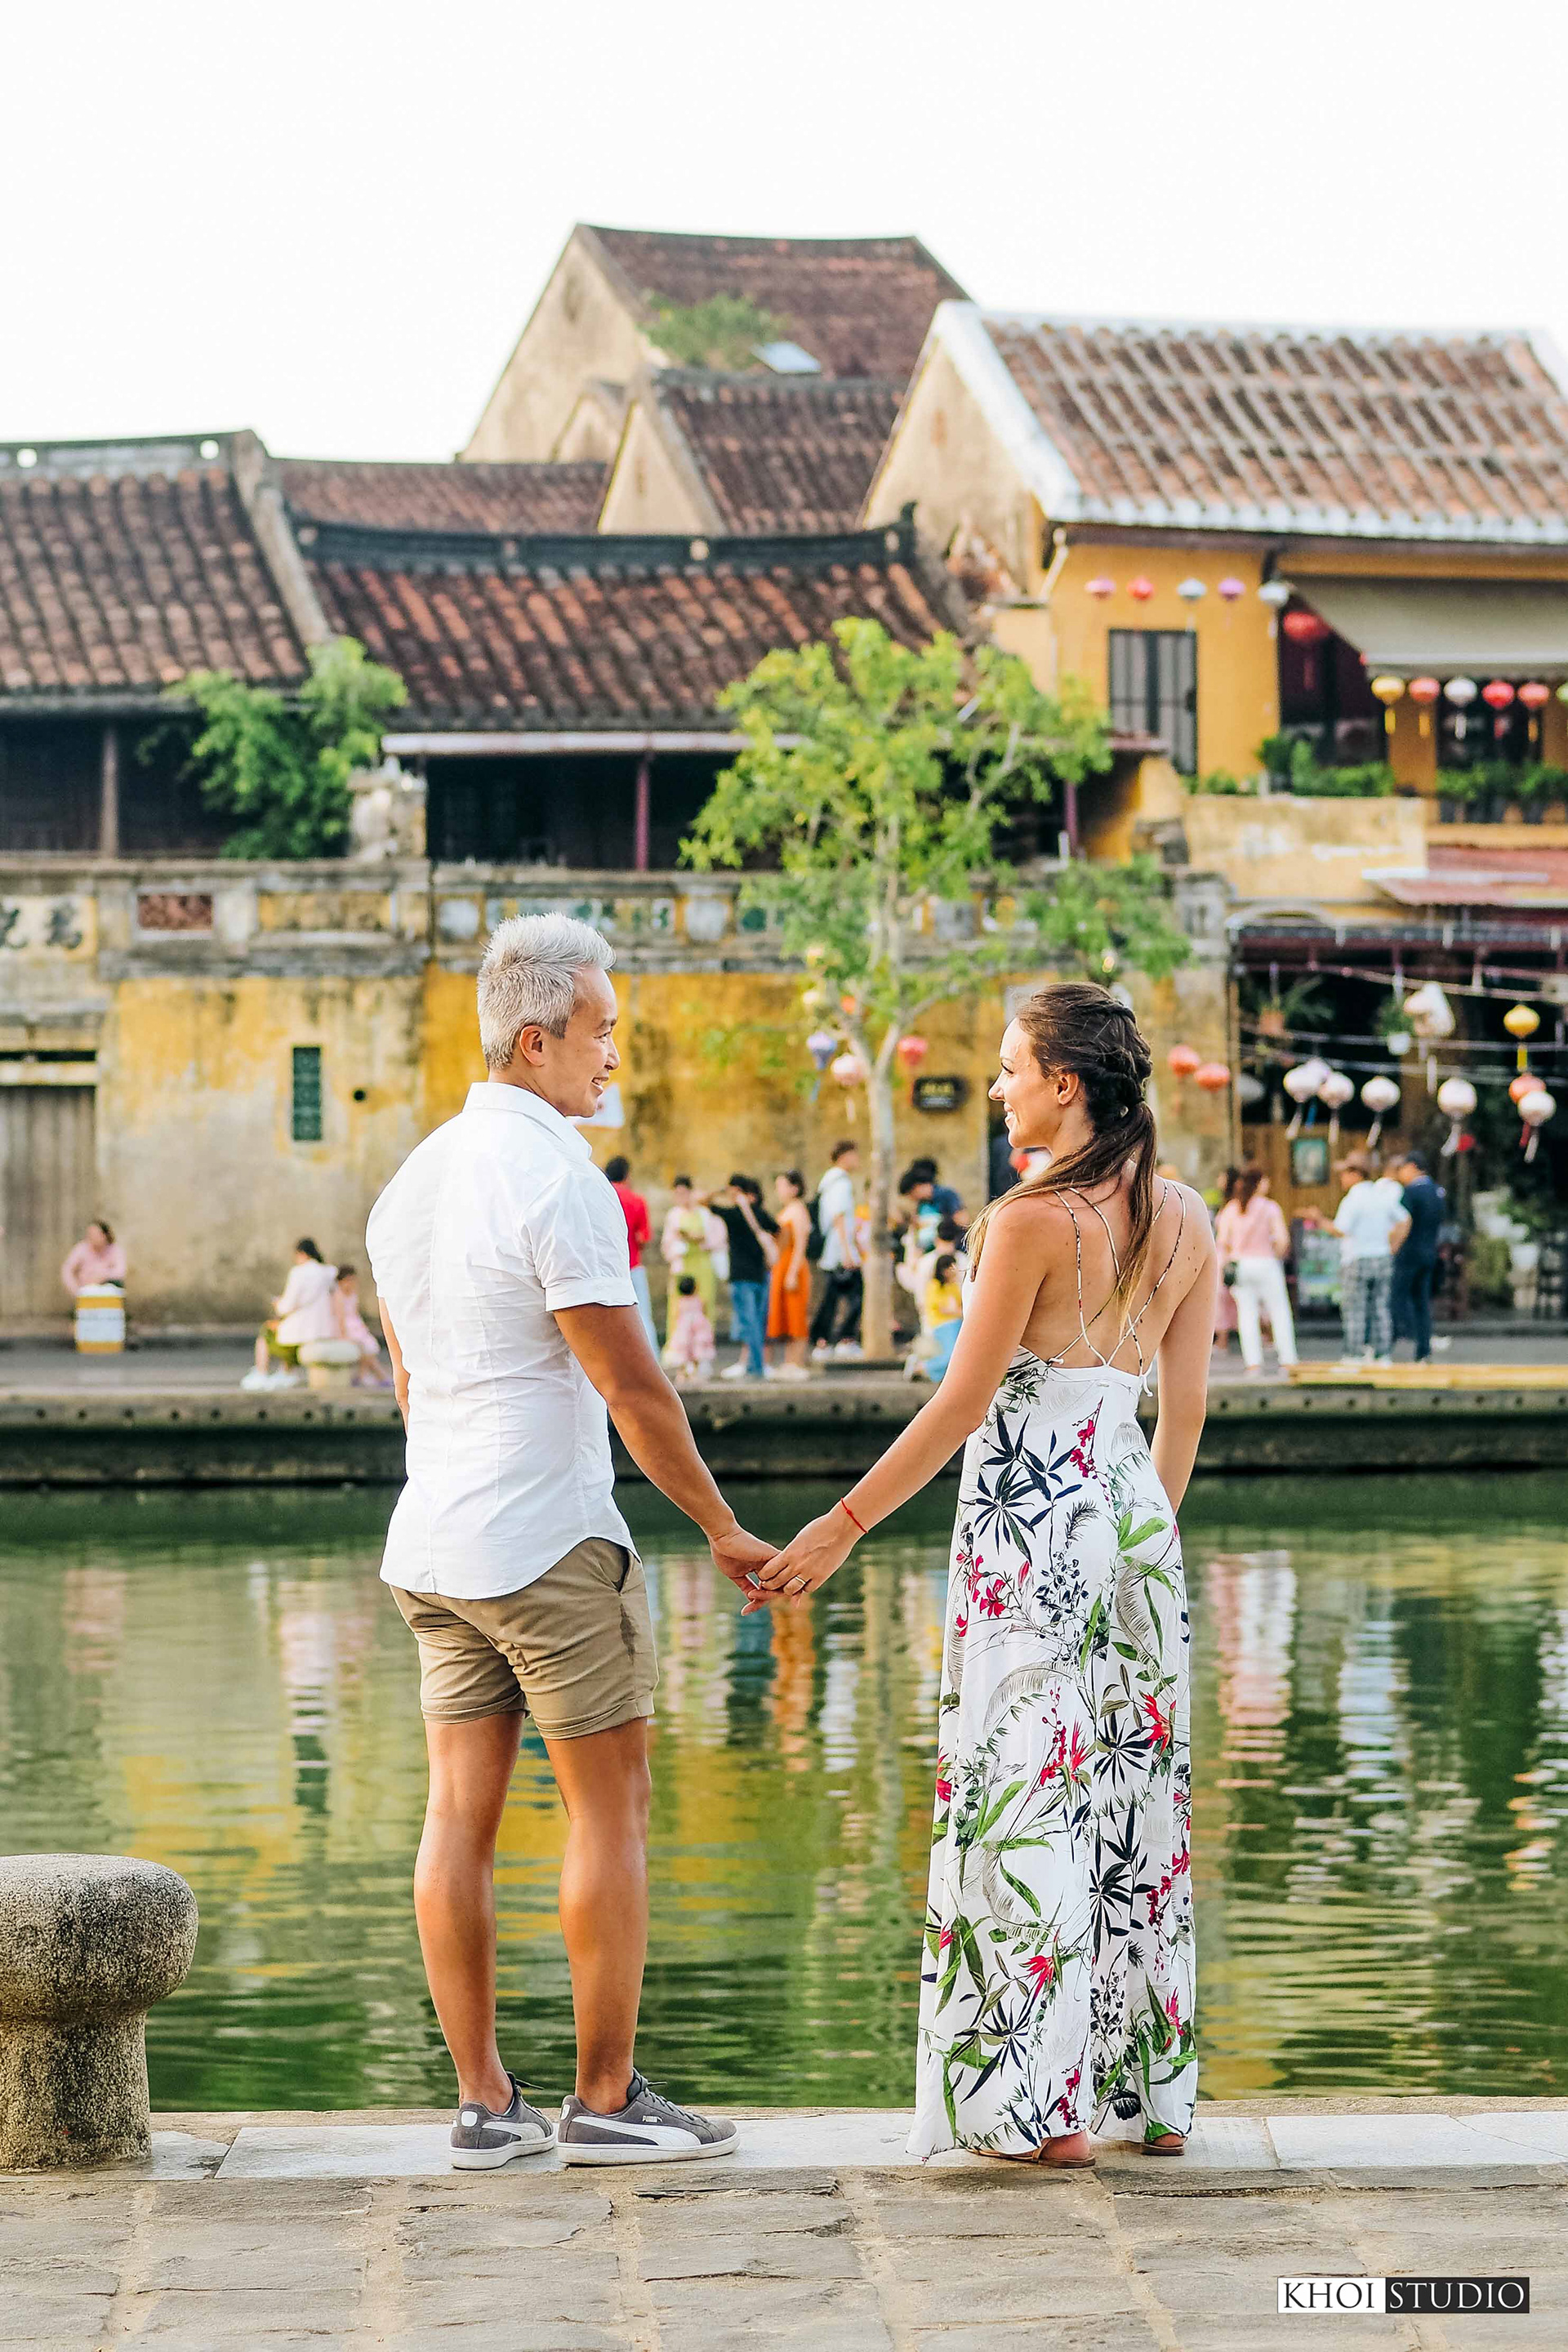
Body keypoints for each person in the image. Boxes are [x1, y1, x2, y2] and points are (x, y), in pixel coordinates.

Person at [751, 981, 1214, 2165]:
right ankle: (1143, 2099)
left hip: (1032, 1532)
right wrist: (1140, 1529)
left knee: (1025, 1799)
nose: (1000, 1087)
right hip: (1135, 1526)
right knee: (1129, 1804)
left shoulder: (1029, 1221)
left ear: (1068, 1083)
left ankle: (1040, 2112)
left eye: (1012, 1067)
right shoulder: (1189, 1220)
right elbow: (1185, 1414)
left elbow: (963, 1405)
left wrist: (843, 1525)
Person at [366, 912, 770, 2170]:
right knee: (613, 1809)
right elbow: (636, 1393)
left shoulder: (409, 1182)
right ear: (534, 1039)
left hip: (433, 1544)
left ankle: (488, 2107)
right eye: (599, 1031)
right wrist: (724, 1529)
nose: (612, 1055)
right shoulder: (558, 1180)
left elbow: (411, 1388)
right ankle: (604, 2097)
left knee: (459, 1817)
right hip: (544, 1542)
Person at [1304, 1152, 1410, 1365]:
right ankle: (1382, 1354)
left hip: (1357, 1258)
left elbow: (1340, 1230)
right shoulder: (1381, 1195)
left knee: (1355, 1309)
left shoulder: (1353, 1199)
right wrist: (1394, 1246)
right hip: (1381, 1256)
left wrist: (1319, 1220)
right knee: (1380, 1308)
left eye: (1345, 1173)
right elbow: (1404, 1219)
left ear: (1355, 1174)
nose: (1342, 1178)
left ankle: (1354, 1354)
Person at [1215, 1166, 1298, 1374]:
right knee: (1279, 1311)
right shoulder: (1270, 1208)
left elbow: (1223, 1242)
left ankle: (1253, 1364)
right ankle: (1287, 1360)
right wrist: (1278, 1253)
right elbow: (1281, 1239)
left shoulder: (1232, 1208)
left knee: (1247, 1314)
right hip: (1266, 1263)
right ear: (1259, 1183)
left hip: (1241, 1265)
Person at [243, 1238, 339, 1391]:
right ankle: (286, 1370)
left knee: (267, 1332)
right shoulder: (328, 1272)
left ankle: (262, 1371)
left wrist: (277, 1304)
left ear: (301, 1254)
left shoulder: (299, 1273)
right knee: (286, 1329)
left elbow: (288, 1305)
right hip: (323, 1327)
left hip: (302, 1328)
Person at [710, 1176, 777, 1380]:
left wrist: (721, 1190)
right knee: (757, 1322)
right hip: (761, 1275)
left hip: (741, 1276)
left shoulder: (735, 1214)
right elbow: (778, 1230)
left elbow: (705, 1202)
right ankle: (754, 1365)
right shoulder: (761, 1214)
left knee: (750, 1323)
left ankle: (756, 1367)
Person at [810, 1141, 865, 1361]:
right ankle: (843, 1339)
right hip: (839, 1249)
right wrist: (848, 1251)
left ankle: (824, 1341)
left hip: (835, 1249)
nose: (857, 1159)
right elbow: (839, 1217)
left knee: (832, 1296)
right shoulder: (840, 1183)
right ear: (844, 1156)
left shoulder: (829, 1182)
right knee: (854, 1295)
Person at [1390, 1149, 1444, 1363]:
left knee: (1397, 1297)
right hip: (1430, 1250)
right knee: (1422, 1301)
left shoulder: (1411, 1192)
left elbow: (1403, 1221)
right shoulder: (1438, 1191)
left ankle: (1395, 1336)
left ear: (1412, 1167)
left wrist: (1393, 1246)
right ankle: (1424, 1349)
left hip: (1409, 1251)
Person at [604, 1156, 656, 1349]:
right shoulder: (636, 1200)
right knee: (643, 1317)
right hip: (633, 1265)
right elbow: (643, 1239)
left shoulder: (603, 1196)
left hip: (608, 1268)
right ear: (627, 1175)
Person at [660, 1177, 724, 1329]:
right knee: (678, 1309)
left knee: (705, 1304)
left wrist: (697, 1238)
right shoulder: (673, 1215)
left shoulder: (704, 1214)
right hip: (682, 1264)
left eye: (684, 1193)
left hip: (702, 1263)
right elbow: (667, 1244)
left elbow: (716, 1239)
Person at [768, 1170, 813, 1381]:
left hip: (793, 1267)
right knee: (785, 1316)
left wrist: (793, 1272)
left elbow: (801, 1244)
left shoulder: (798, 1211)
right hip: (782, 1265)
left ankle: (797, 1361)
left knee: (796, 1316)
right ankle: (788, 1361)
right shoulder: (786, 1210)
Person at [333, 1265, 392, 1388]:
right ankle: (379, 1376)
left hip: (356, 1325)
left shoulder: (353, 1294)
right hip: (346, 1327)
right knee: (366, 1348)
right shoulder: (338, 1295)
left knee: (369, 1347)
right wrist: (342, 1334)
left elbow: (355, 1313)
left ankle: (362, 1376)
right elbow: (340, 1317)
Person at [661, 1274, 715, 1383]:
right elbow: (704, 1312)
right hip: (698, 1331)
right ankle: (694, 1373)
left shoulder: (680, 1302)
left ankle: (682, 1373)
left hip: (684, 1331)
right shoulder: (700, 1300)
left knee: (683, 1354)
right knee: (696, 1352)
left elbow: (676, 1315)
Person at [1210, 1167, 1241, 1354]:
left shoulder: (1231, 1206)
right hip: (1230, 1255)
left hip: (1227, 1255)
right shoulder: (1231, 1204)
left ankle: (1222, 1340)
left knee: (1222, 1298)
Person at [923, 1250, 964, 1382]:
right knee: (951, 1355)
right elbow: (941, 1308)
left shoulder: (953, 1286)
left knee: (958, 1355)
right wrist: (958, 1312)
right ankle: (923, 1367)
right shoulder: (934, 1286)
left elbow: (960, 1304)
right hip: (943, 1324)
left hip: (957, 1323)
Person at [60, 1218, 126, 1298]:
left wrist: (101, 1276)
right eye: (90, 1235)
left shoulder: (115, 1249)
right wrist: (76, 1291)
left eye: (95, 1234)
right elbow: (67, 1269)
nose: (92, 1238)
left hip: (108, 1289)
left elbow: (121, 1271)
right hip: (86, 1289)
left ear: (104, 1236)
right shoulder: (81, 1248)